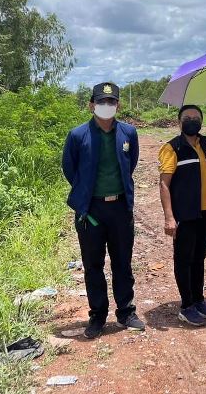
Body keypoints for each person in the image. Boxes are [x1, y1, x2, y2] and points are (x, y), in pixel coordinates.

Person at [62, 82, 144, 339]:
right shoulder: (78, 135)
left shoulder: (128, 133)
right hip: (91, 211)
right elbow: (70, 169)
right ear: (91, 105)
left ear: (118, 105)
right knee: (93, 264)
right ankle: (97, 315)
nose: (106, 107)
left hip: (119, 207)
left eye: (111, 102)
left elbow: (130, 165)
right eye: (101, 102)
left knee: (122, 261)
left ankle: (125, 311)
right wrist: (87, 193)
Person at [158, 105, 206, 326]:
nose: (192, 121)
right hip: (185, 214)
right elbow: (164, 184)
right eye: (187, 118)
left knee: (199, 257)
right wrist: (169, 217)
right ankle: (186, 305)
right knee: (184, 259)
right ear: (179, 122)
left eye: (196, 118)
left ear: (201, 122)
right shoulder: (172, 148)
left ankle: (199, 300)